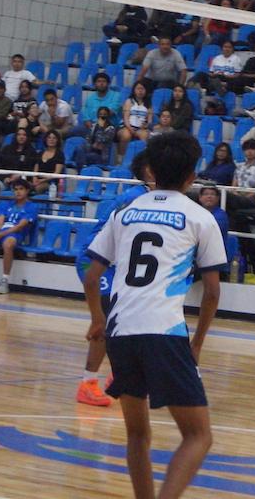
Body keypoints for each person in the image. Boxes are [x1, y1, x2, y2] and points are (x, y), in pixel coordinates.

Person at [82, 131, 226, 498]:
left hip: (120, 332)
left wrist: (98, 319)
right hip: (163, 330)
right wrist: (197, 344)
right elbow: (212, 292)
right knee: (198, 435)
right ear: (191, 176)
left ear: (151, 170)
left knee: (137, 435)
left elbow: (92, 276)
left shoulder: (124, 213)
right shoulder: (201, 217)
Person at [74, 151, 151, 407]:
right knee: (106, 321)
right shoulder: (135, 198)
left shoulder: (151, 196)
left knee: (130, 321)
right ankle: (87, 384)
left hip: (117, 264)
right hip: (95, 259)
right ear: (149, 171)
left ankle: (119, 377)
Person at [0, 178, 39, 295]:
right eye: (15, 189)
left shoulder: (32, 207)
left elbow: (20, 226)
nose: (18, 192)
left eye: (21, 189)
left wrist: (0, 234)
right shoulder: (7, 204)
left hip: (15, 234)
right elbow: (0, 220)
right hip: (0, 232)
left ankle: (4, 280)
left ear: (27, 191)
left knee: (8, 243)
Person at [33, 131, 66, 196]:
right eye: (49, 137)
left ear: (57, 140)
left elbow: (56, 173)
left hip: (51, 182)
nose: (51, 140)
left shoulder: (59, 155)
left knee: (38, 187)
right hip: (38, 181)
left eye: (54, 138)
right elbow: (35, 170)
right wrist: (34, 180)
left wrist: (42, 180)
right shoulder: (40, 153)